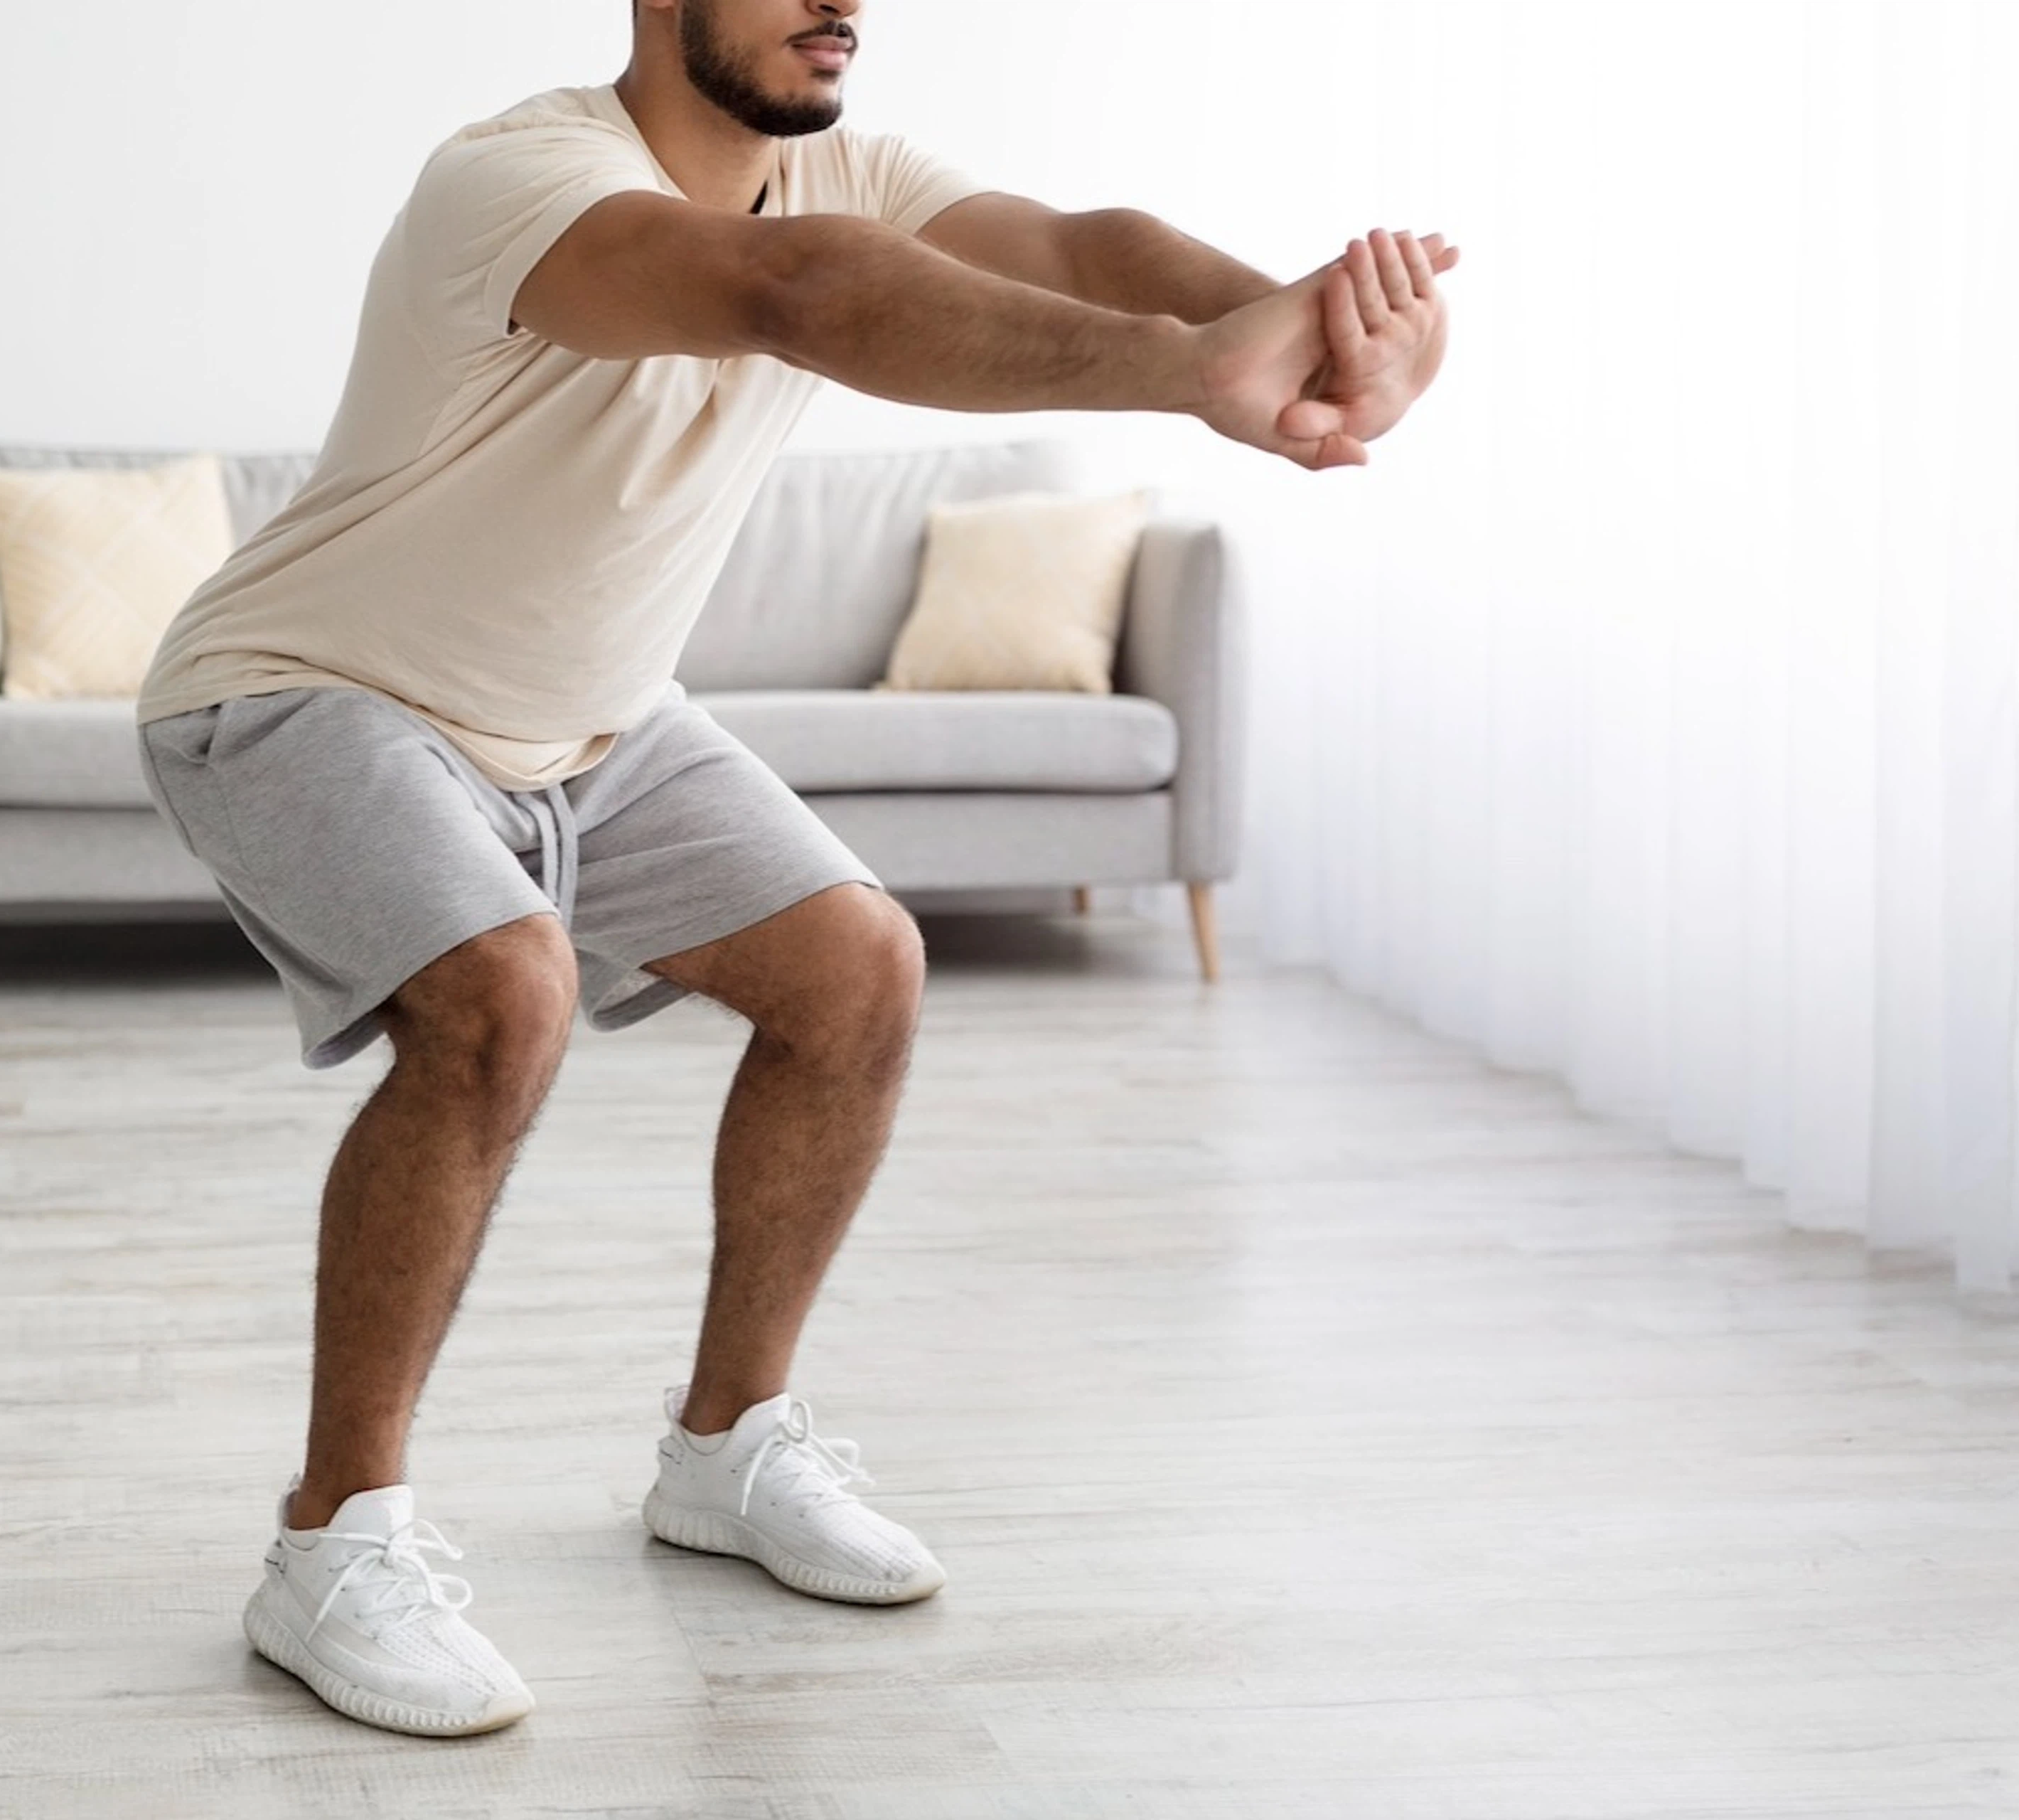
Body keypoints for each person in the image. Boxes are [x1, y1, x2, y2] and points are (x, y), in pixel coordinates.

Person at [133, 0, 1455, 1739]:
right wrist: (1191, 371)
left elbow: (1076, 248)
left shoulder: (861, 164)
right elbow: (799, 295)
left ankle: (727, 1447)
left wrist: (1295, 324)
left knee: (858, 972)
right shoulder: (520, 180)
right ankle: (332, 1543)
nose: (839, 3)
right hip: (306, 691)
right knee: (498, 998)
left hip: (593, 724)